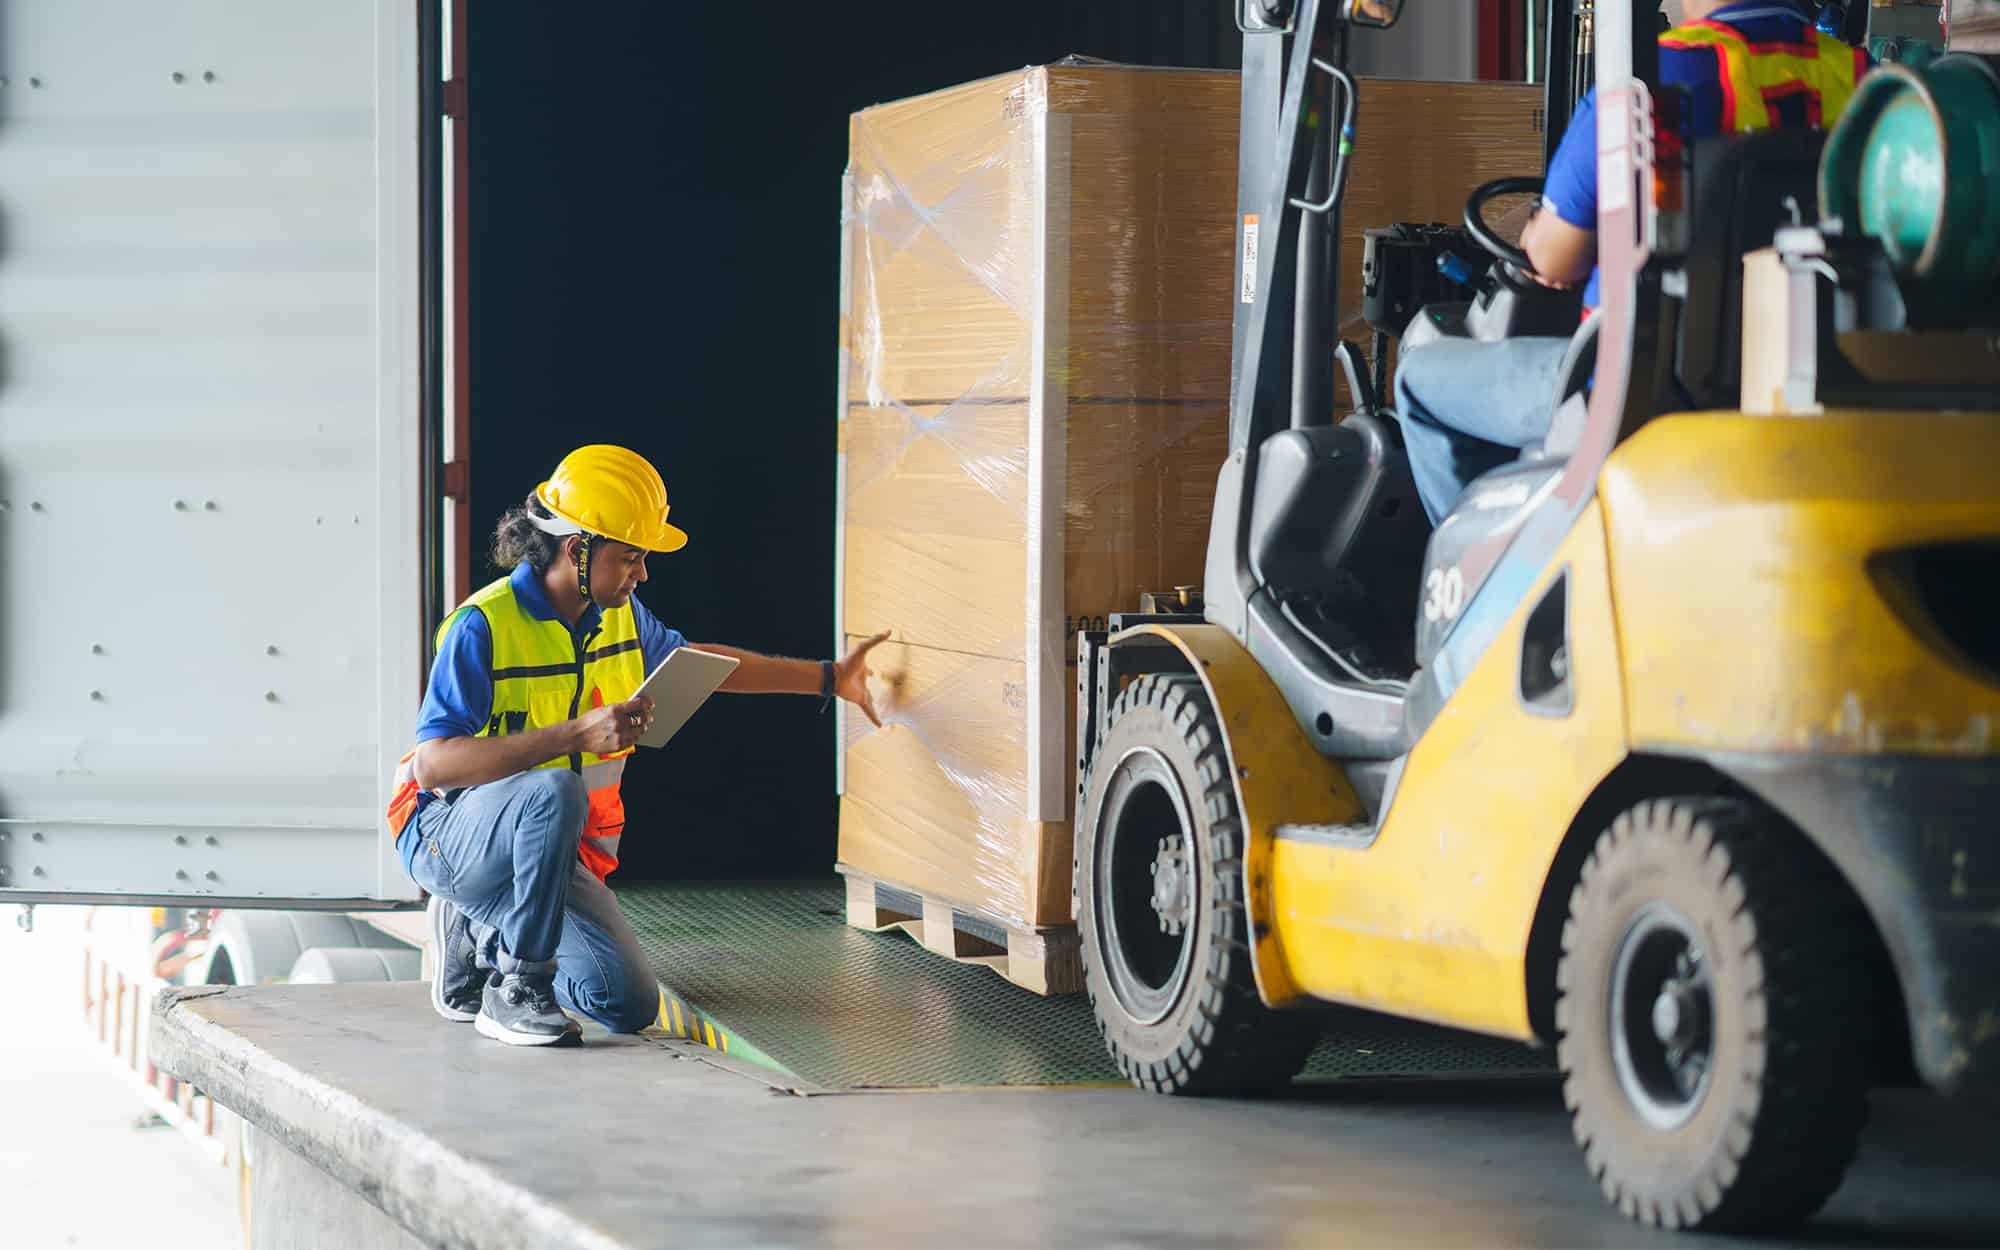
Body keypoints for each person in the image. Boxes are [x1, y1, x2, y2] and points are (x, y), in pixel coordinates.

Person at [385, 445, 888, 1046]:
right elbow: (435, 763)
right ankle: (514, 989)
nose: (641, 573)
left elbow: (703, 666)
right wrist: (575, 735)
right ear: (577, 550)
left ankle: (483, 935)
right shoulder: (483, 626)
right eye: (630, 558)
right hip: (443, 837)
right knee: (554, 787)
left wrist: (830, 677)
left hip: (546, 855)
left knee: (623, 1003)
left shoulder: (619, 617)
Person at [1392, 0, 1870, 524]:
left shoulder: (1650, 81)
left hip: (1637, 387)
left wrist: (1537, 230)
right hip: (1814, 382)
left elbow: (1553, 261)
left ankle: (1479, 594)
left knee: (1420, 378)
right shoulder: (1864, 79)